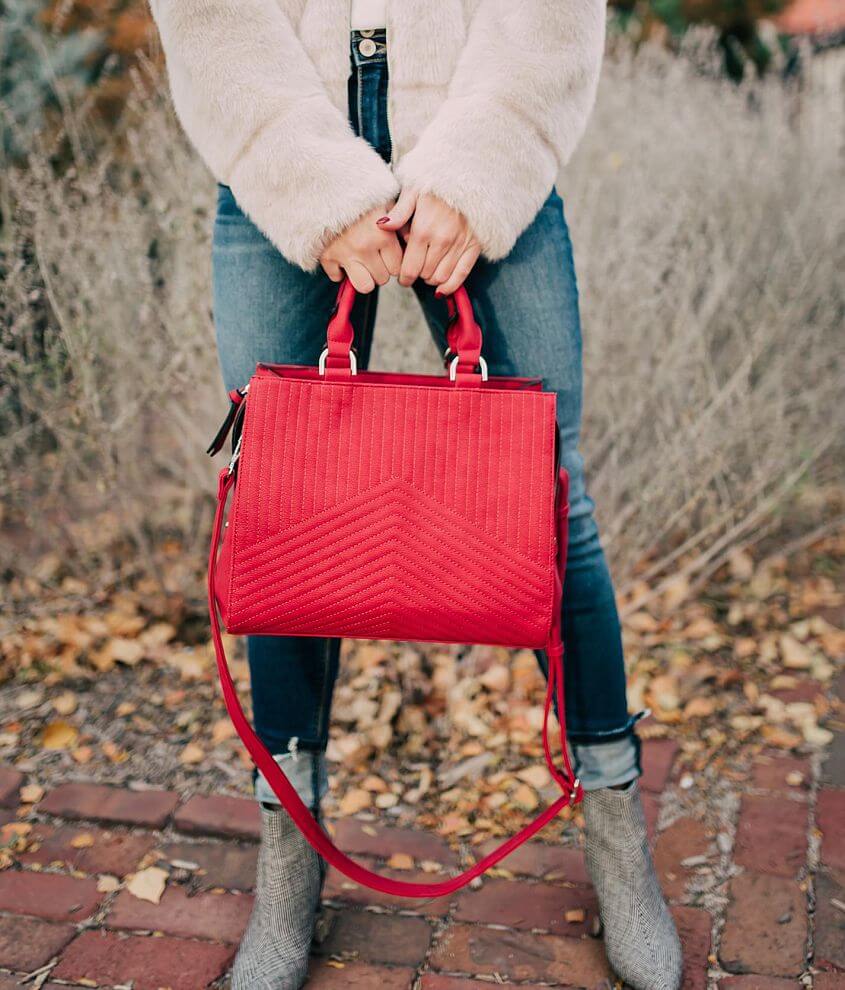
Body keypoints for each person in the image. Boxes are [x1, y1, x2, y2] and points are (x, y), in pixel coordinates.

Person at [150, 2, 682, 988]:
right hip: (280, 136)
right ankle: (288, 861)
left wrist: (479, 167)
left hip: (478, 124)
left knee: (550, 503)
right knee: (288, 509)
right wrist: (307, 174)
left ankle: (615, 834)